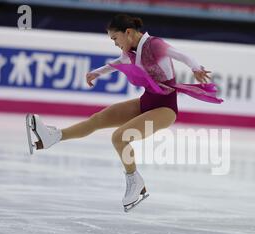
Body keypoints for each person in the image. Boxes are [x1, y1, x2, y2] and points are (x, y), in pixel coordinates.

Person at [26, 14, 223, 212]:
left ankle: (135, 183)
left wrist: (196, 69)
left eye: (115, 38)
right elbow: (119, 62)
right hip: (146, 102)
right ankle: (52, 137)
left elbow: (182, 55)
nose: (115, 43)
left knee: (120, 137)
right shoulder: (132, 50)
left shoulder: (154, 44)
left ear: (128, 32)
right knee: (98, 120)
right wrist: (97, 73)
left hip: (165, 109)